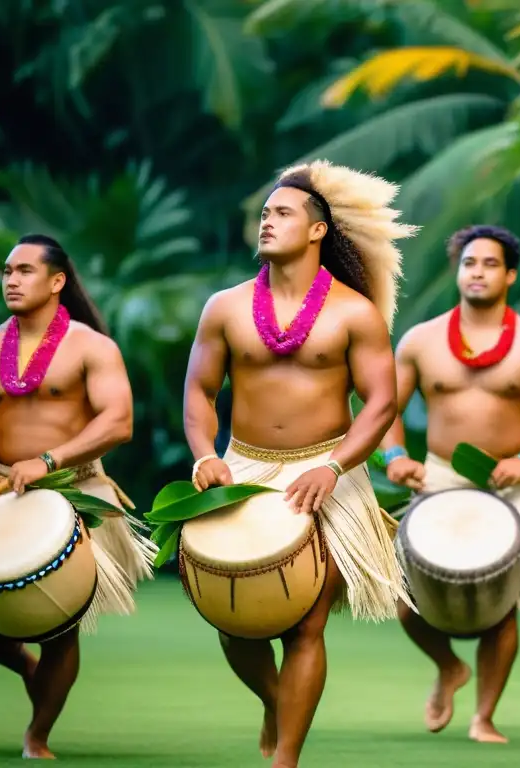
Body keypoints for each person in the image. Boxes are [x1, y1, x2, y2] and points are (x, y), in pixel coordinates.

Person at [183, 160, 418, 768]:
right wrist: (205, 455)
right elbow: (200, 394)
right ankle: (274, 700)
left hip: (327, 470)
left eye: (282, 213)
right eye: (264, 213)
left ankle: (286, 758)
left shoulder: (353, 314)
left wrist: (335, 469)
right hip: (244, 468)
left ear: (317, 231)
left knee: (304, 625)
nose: (267, 221)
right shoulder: (226, 308)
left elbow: (382, 403)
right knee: (232, 619)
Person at [377, 224, 520, 744]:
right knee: (407, 595)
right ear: (458, 271)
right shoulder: (422, 340)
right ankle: (448, 667)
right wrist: (396, 456)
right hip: (439, 477)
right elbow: (385, 410)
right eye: (470, 263)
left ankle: (484, 716)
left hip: (507, 484)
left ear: (510, 274)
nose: (478, 272)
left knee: (502, 605)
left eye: (490, 264)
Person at [0, 234, 156, 759]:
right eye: (9, 270)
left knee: (59, 625)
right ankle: (28, 670)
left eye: (26, 270)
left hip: (73, 491)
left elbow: (119, 421)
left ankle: (37, 735)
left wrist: (50, 461)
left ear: (57, 281)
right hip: (0, 490)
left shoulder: (91, 346)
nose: (12, 279)